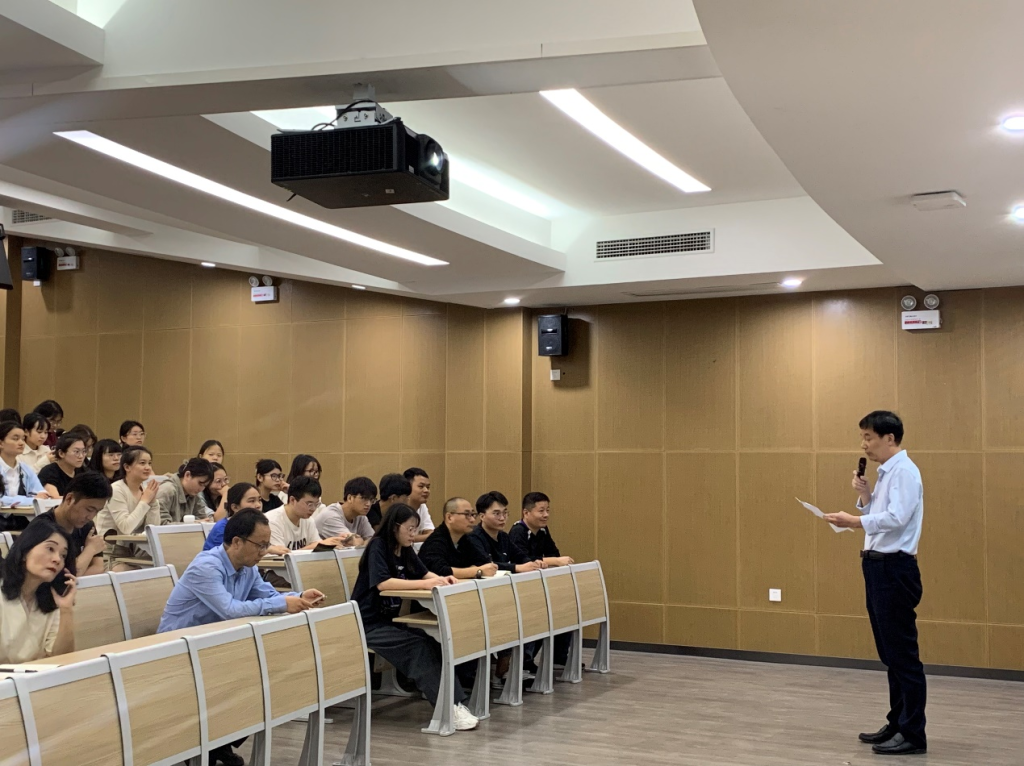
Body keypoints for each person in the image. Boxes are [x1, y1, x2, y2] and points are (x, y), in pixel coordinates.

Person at [158, 508, 322, 766]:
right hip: (178, 648)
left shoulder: (247, 568)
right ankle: (205, 746)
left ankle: (217, 744)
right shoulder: (206, 567)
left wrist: (299, 597)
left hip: (213, 644)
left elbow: (268, 596)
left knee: (268, 678)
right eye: (260, 545)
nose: (264, 551)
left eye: (267, 545)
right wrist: (282, 604)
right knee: (252, 676)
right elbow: (230, 610)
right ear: (236, 542)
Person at [822, 411, 927, 756]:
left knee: (903, 656)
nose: (864, 445)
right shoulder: (886, 474)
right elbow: (879, 516)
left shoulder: (905, 472)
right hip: (878, 567)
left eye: (869, 437)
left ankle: (913, 733)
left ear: (889, 438)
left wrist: (854, 521)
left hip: (894, 569)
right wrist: (866, 496)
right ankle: (897, 723)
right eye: (863, 438)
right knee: (890, 654)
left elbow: (897, 519)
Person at [351, 503, 478, 731]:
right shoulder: (378, 546)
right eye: (409, 529)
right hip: (365, 624)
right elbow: (383, 583)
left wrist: (442, 579)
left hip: (388, 622)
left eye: (415, 529)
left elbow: (424, 572)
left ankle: (454, 702)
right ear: (395, 527)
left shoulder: (405, 549)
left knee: (433, 641)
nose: (413, 535)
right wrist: (425, 583)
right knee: (418, 647)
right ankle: (446, 708)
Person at [0, 516, 77, 663]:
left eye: (63, 555)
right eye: (50, 549)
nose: (57, 559)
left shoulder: (52, 599)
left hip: (36, 676)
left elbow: (62, 659)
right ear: (25, 551)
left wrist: (66, 609)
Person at [34, 472, 112, 577]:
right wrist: (90, 549)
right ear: (69, 499)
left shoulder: (87, 526)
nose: (91, 516)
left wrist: (74, 578)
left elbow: (98, 568)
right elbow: (60, 577)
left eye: (97, 511)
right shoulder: (43, 528)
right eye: (89, 509)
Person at [94, 446, 159, 570]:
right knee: (136, 574)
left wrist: (153, 503)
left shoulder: (145, 491)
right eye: (142, 463)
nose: (148, 467)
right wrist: (145, 501)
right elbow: (126, 528)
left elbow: (151, 529)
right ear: (127, 467)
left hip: (131, 552)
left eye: (149, 463)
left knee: (159, 569)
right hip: (107, 554)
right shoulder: (116, 489)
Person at [419, 497, 498, 580]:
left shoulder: (465, 539)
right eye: (467, 515)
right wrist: (476, 571)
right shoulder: (436, 541)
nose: (472, 520)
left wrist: (473, 569)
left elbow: (484, 561)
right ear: (449, 517)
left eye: (473, 514)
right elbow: (439, 570)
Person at [468, 491, 545, 574]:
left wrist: (532, 563)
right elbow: (486, 564)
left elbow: (519, 555)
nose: (502, 518)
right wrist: (516, 567)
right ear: (482, 516)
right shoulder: (473, 537)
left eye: (505, 513)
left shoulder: (503, 536)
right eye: (497, 513)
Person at [265, 476, 345, 553]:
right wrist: (317, 546)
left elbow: (316, 545)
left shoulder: (308, 520)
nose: (313, 509)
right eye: (309, 504)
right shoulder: (272, 521)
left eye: (316, 504)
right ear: (292, 500)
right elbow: (281, 556)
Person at [0, 421, 50, 531]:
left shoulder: (24, 469)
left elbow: (41, 494)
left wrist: (39, 497)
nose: (21, 443)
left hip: (21, 521)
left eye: (23, 439)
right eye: (15, 439)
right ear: (1, 443)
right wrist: (29, 500)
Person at [509, 492, 575, 567]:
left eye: (547, 510)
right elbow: (522, 560)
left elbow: (553, 553)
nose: (546, 515)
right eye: (541, 511)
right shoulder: (517, 531)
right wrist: (555, 561)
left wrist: (558, 560)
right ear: (526, 513)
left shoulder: (543, 529)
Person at [316, 476, 377, 545]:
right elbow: (351, 542)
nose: (368, 504)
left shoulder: (361, 517)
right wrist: (363, 542)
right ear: (350, 498)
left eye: (371, 500)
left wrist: (362, 541)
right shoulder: (330, 516)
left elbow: (374, 541)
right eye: (364, 498)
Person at [203, 483, 262, 551]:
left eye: (259, 500)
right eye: (252, 501)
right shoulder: (222, 528)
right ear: (235, 507)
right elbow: (227, 555)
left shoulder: (257, 525)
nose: (258, 505)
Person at [153, 458, 214, 524]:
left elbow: (203, 519)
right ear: (187, 475)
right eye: (200, 483)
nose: (201, 489)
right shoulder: (167, 490)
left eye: (204, 486)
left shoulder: (194, 495)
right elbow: (160, 524)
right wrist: (193, 524)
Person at [38, 432, 88, 499]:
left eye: (84, 451)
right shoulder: (49, 472)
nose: (81, 456)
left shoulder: (83, 471)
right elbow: (54, 498)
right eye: (76, 452)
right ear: (61, 453)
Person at [404, 467, 436, 543]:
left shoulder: (422, 506)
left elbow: (431, 532)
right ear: (408, 488)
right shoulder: (399, 508)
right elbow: (403, 538)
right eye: (421, 486)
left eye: (428, 487)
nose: (426, 490)